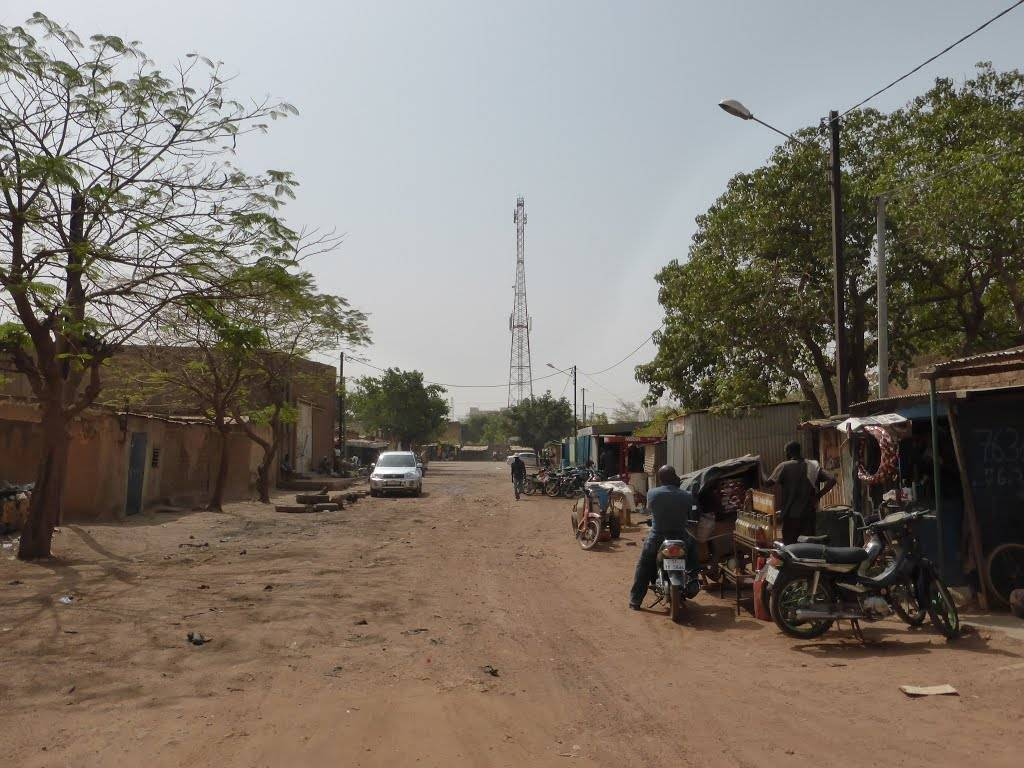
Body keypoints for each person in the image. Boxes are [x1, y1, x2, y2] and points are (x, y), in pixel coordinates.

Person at [629, 465, 697, 610]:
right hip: (681, 537)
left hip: (657, 537)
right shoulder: (686, 495)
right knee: (693, 556)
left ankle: (635, 601)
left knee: (644, 566)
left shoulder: (652, 493)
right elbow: (690, 514)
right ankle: (693, 580)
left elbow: (651, 509)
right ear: (674, 477)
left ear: (660, 479)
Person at [765, 440, 836, 544]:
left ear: (788, 453)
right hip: (808, 516)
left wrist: (761, 469)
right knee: (809, 546)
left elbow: (767, 483)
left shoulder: (784, 466)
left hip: (790, 517)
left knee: (790, 547)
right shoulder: (812, 466)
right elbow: (832, 479)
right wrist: (818, 496)